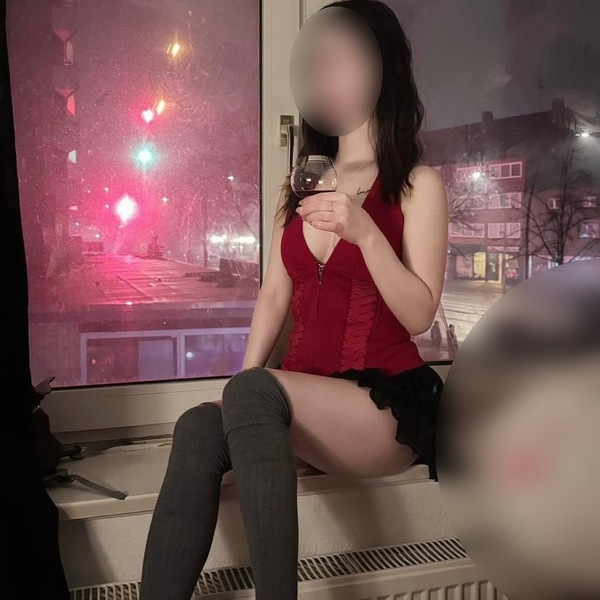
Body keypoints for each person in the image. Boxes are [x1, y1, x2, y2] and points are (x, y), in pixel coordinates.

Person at [139, 1, 448, 599]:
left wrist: (366, 233)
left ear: (382, 68)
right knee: (198, 425)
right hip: (305, 398)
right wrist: (240, 389)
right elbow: (275, 293)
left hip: (383, 404)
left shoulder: (418, 184)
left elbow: (418, 314)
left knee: (253, 391)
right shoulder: (301, 183)